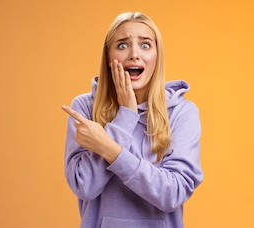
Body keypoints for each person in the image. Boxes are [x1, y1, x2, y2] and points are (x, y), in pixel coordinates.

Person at [61, 12, 203, 228]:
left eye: (145, 45)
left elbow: (173, 194)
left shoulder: (181, 112)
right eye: (123, 45)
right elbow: (85, 186)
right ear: (109, 57)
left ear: (157, 56)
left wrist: (110, 149)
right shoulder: (85, 108)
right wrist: (126, 115)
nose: (134, 54)